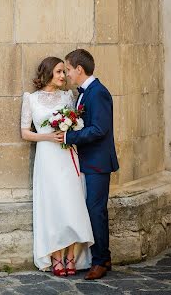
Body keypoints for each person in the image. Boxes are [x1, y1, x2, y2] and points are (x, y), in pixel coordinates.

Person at [21, 56, 94, 276]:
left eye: (64, 71)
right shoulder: (31, 99)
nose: (63, 76)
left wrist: (67, 131)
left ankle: (71, 256)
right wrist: (48, 137)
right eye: (59, 72)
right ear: (47, 73)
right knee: (53, 206)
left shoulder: (68, 96)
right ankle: (55, 256)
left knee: (71, 203)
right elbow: (25, 133)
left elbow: (76, 124)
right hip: (47, 157)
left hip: (67, 155)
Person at [56, 49, 119, 280]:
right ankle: (105, 256)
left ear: (79, 69)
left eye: (69, 69)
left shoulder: (98, 93)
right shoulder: (85, 93)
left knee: (96, 211)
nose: (68, 74)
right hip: (88, 161)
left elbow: (99, 129)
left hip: (98, 163)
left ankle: (100, 261)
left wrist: (68, 137)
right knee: (94, 211)